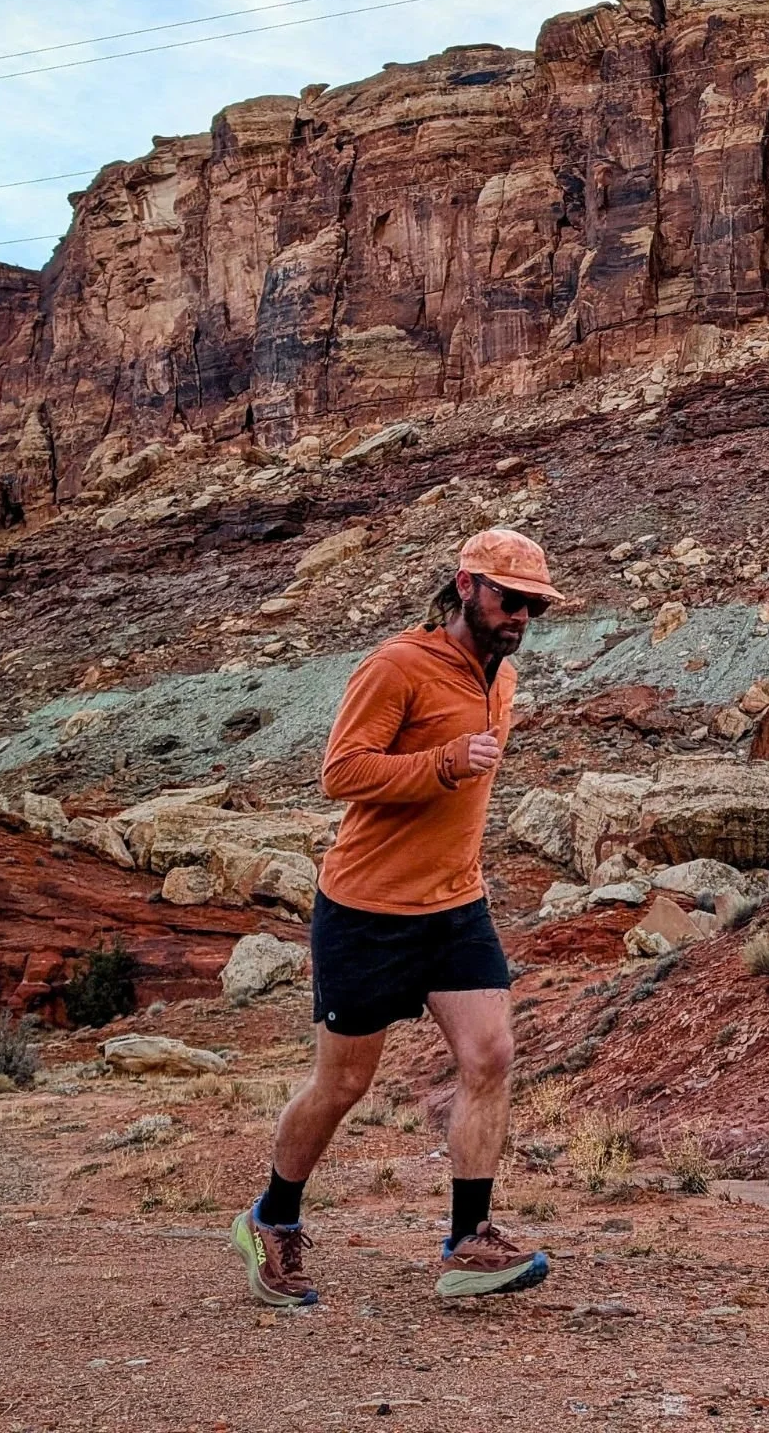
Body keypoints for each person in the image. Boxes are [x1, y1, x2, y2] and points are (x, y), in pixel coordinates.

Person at [231, 527, 558, 1305]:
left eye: (535, 607)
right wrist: (441, 763)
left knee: (490, 1054)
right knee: (342, 1083)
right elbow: (341, 771)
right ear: (466, 587)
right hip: (366, 911)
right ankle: (271, 1219)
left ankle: (468, 1241)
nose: (520, 617)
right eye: (510, 600)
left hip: (456, 906)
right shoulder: (397, 665)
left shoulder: (502, 679)